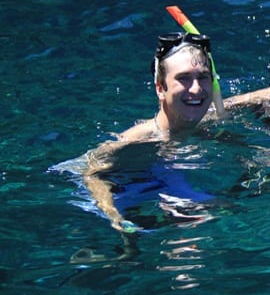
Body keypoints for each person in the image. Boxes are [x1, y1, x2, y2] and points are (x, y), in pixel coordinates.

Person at [82, 31, 217, 233]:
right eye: (184, 79)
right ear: (160, 88)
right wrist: (114, 216)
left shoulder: (205, 127)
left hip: (167, 186)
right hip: (131, 195)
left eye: (203, 77)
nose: (196, 89)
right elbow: (91, 174)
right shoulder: (139, 141)